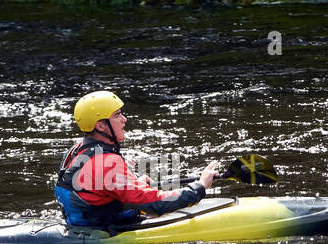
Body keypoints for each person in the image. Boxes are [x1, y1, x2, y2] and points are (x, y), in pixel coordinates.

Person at [55, 91, 221, 228]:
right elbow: (156, 204)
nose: (124, 119)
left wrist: (133, 185)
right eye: (117, 115)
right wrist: (199, 187)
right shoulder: (107, 163)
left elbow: (95, 190)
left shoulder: (76, 150)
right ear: (100, 125)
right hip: (104, 239)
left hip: (82, 225)